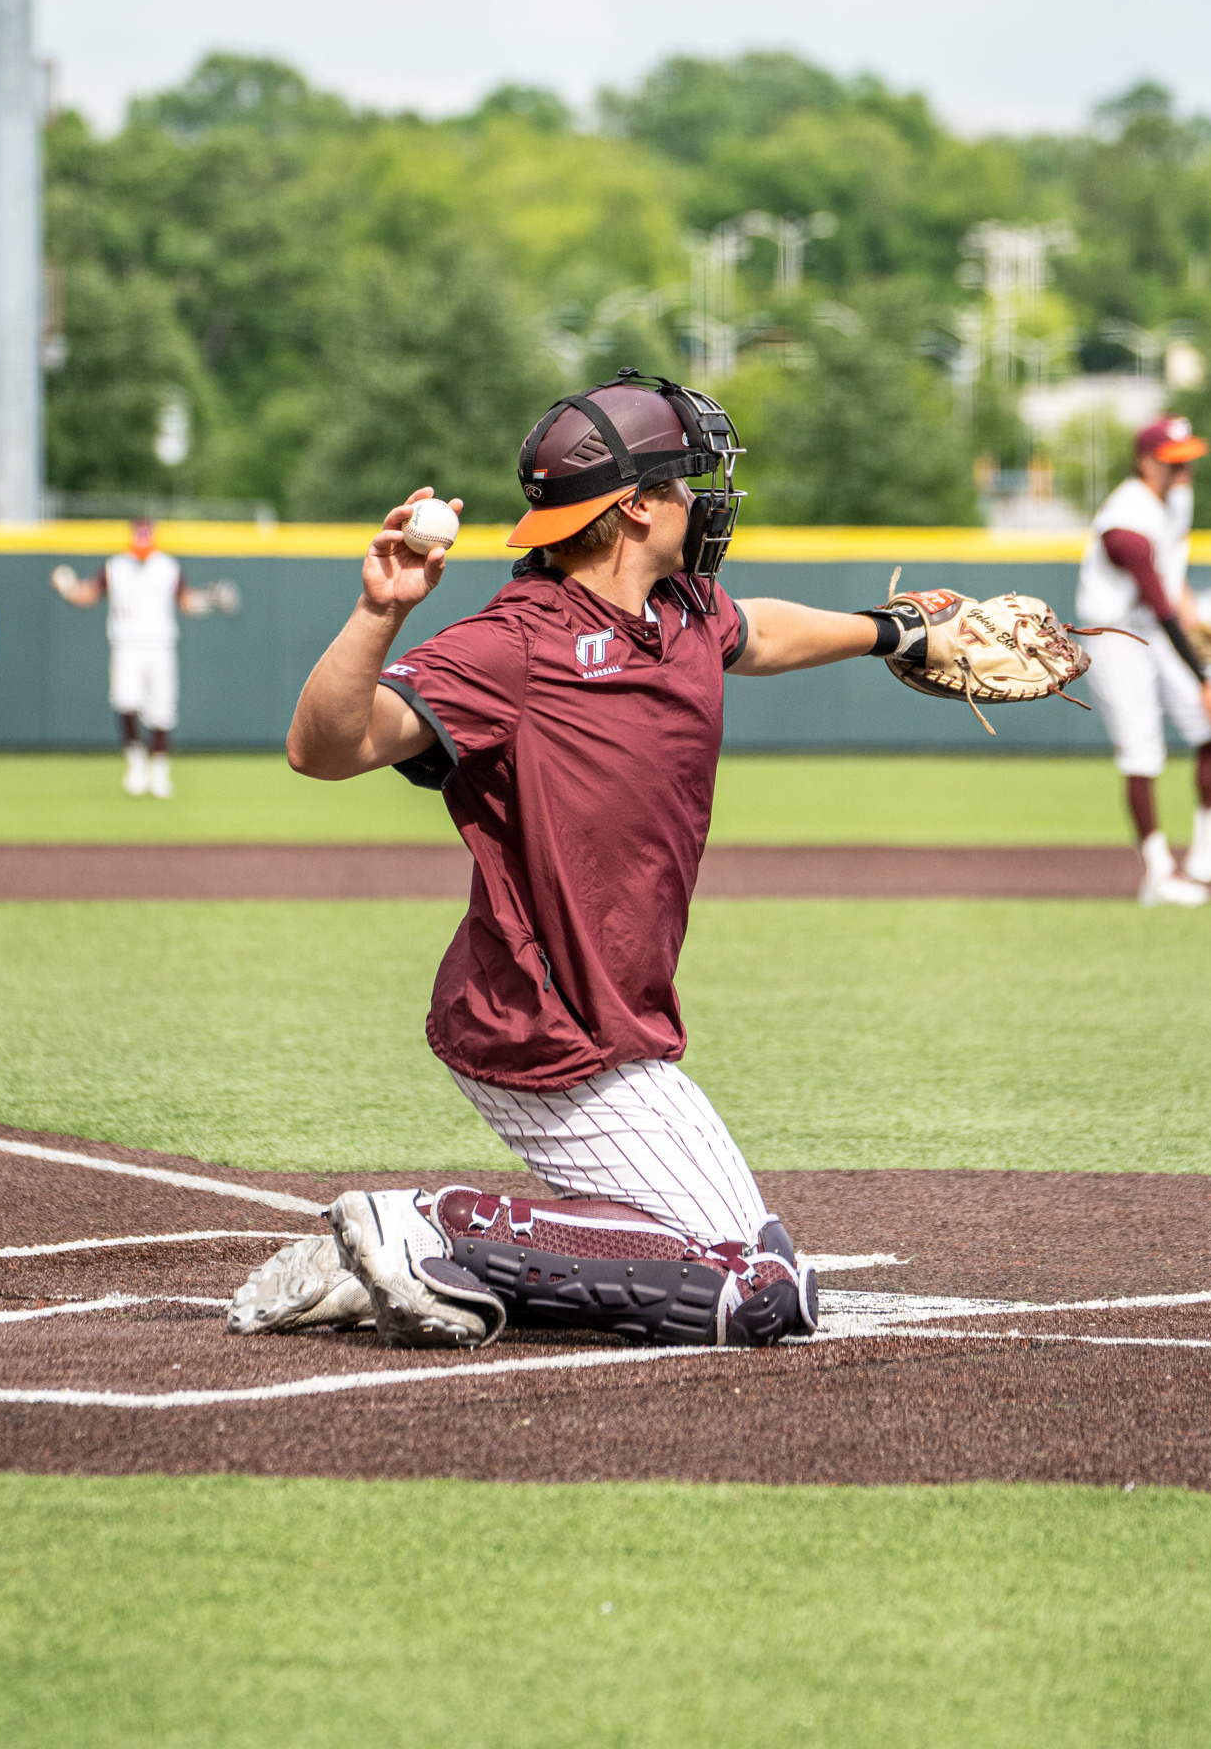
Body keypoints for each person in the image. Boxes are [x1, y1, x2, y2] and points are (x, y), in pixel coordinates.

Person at [229, 370, 938, 1353]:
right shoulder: (516, 646)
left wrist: (891, 630)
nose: (704, 498)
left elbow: (760, 628)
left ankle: (401, 1272)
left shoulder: (684, 611)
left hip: (617, 1027)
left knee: (745, 1269)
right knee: (754, 1291)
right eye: (685, 482)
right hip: (545, 1028)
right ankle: (432, 1229)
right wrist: (379, 611)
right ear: (636, 505)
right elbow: (325, 748)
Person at [1076, 415, 1211, 906]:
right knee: (1142, 752)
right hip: (1115, 635)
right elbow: (1157, 602)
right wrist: (1204, 676)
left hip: (1152, 628)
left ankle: (1210, 848)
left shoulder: (1175, 498)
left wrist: (1197, 625)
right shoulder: (1125, 526)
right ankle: (1158, 874)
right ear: (1146, 462)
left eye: (1188, 461)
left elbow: (1172, 579)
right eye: (1173, 463)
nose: (1185, 472)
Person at [50, 517, 238, 798]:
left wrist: (211, 599)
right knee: (125, 701)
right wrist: (66, 587)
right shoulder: (116, 566)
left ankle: (159, 772)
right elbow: (87, 595)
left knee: (162, 711)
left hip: (160, 646)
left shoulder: (167, 566)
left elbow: (186, 602)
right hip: (126, 644)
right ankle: (136, 762)